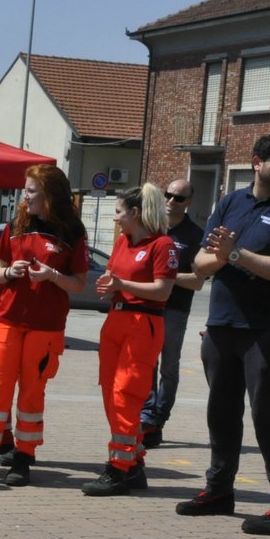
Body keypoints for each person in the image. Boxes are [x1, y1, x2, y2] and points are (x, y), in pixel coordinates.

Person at [176, 133, 270, 535]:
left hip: (265, 330)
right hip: (222, 325)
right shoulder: (231, 203)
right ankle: (219, 491)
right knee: (221, 411)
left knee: (267, 413)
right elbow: (201, 263)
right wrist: (218, 257)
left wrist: (235, 255)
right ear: (257, 162)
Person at [0, 164, 88, 487]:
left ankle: (24, 455)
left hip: (45, 326)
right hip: (7, 319)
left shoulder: (72, 231)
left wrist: (52, 276)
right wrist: (10, 272)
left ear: (49, 195)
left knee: (32, 392)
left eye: (31, 191)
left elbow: (78, 283)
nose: (25, 196)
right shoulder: (16, 224)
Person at [83, 183, 178, 496]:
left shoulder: (163, 245)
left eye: (119, 212)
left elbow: (163, 291)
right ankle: (132, 464)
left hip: (143, 323)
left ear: (135, 213)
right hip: (116, 318)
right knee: (111, 393)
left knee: (127, 395)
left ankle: (120, 468)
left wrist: (121, 283)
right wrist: (111, 285)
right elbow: (115, 276)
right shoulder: (123, 242)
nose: (116, 218)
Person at [138, 179, 207, 448]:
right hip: (148, 305)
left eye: (178, 198)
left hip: (175, 310)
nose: (170, 201)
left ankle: (159, 417)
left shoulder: (194, 235)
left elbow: (198, 281)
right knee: (147, 364)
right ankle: (147, 417)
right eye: (167, 195)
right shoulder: (153, 229)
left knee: (168, 366)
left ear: (188, 202)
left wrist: (167, 276)